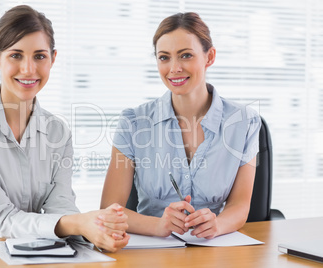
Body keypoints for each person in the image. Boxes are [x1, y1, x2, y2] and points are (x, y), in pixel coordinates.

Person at [0, 5, 129, 252]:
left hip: (26, 246)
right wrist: (80, 224)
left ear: (53, 58)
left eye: (39, 56)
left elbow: (60, 205)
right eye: (16, 55)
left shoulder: (57, 132)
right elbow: (4, 219)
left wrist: (96, 230)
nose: (29, 69)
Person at [101, 12, 261, 239]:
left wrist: (217, 225)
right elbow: (110, 209)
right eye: (164, 57)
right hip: (151, 250)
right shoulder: (134, 123)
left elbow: (240, 205)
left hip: (213, 249)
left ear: (210, 56)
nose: (174, 68)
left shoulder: (244, 123)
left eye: (185, 55)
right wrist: (157, 225)